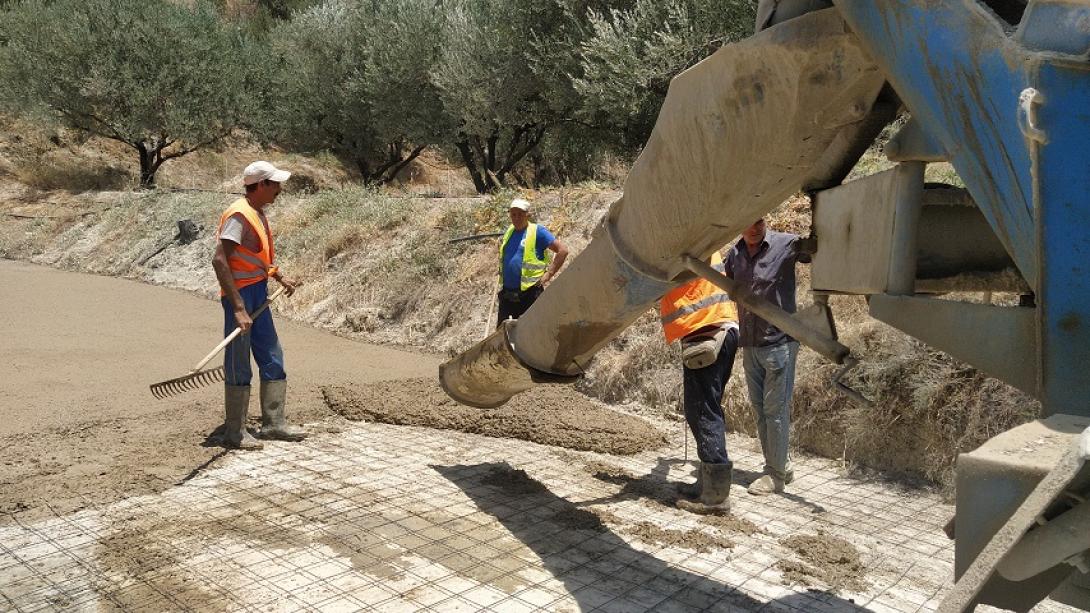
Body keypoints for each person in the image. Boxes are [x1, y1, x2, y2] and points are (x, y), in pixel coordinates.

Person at [211, 161, 307, 450]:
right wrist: (238, 308)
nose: (279, 190)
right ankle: (235, 432)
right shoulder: (238, 215)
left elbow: (256, 256)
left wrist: (278, 276)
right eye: (275, 184)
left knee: (271, 355)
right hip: (239, 296)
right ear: (262, 184)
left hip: (258, 292)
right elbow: (220, 260)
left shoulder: (257, 214)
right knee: (239, 362)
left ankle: (273, 423)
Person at [725, 218, 806, 495]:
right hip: (751, 344)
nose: (755, 227)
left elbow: (818, 250)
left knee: (775, 411)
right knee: (761, 411)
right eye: (747, 222)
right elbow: (721, 289)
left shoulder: (786, 245)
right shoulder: (734, 255)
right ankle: (782, 464)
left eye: (759, 220)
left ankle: (775, 475)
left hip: (779, 343)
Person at [661, 251, 739, 515]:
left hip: (708, 330)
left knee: (703, 410)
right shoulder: (698, 235)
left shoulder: (684, 238)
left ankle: (715, 497)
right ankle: (707, 483)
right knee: (705, 407)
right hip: (714, 329)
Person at [496, 198, 568, 325]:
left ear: (527, 215)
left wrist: (548, 275)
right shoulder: (509, 231)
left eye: (520, 214)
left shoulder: (537, 232)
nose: (516, 218)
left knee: (532, 333)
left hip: (529, 295)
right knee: (503, 335)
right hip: (508, 295)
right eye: (513, 214)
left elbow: (562, 250)